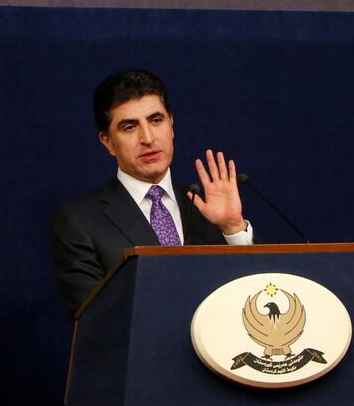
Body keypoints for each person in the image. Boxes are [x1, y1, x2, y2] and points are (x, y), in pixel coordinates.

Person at [51, 69, 253, 314]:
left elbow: (251, 298)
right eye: (129, 127)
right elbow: (95, 319)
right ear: (107, 141)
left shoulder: (207, 210)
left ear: (172, 125)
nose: (147, 138)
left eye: (156, 120)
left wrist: (233, 229)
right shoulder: (79, 221)